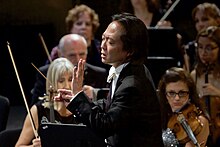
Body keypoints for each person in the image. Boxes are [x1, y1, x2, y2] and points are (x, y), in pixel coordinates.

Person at [55, 13, 164, 147]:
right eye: (103, 39)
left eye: (111, 42)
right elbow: (111, 104)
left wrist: (78, 97)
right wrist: (76, 99)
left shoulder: (132, 85)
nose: (103, 46)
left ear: (129, 50)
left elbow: (104, 126)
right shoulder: (127, 70)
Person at [15, 58, 79, 147]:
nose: (67, 86)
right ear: (51, 83)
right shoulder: (38, 110)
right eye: (61, 81)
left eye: (70, 79)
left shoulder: (82, 108)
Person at [31, 34, 108, 106]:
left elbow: (108, 105)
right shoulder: (46, 72)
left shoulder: (99, 73)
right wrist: (52, 97)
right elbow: (35, 104)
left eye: (82, 54)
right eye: (72, 55)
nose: (78, 59)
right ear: (60, 54)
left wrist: (95, 93)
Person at [158, 67, 210, 147]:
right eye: (171, 93)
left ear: (190, 94)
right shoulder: (159, 114)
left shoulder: (200, 121)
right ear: (164, 95)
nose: (177, 98)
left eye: (182, 93)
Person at [49, 4, 109, 69]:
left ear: (93, 28)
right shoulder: (58, 50)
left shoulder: (101, 49)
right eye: (79, 23)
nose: (83, 27)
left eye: (87, 24)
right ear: (71, 27)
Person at [190, 26, 220, 146]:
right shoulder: (194, 75)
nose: (203, 52)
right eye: (200, 47)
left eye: (209, 48)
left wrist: (217, 92)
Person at [183, 2, 220, 72]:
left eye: (205, 19)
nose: (200, 24)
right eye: (197, 21)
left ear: (218, 20)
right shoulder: (190, 48)